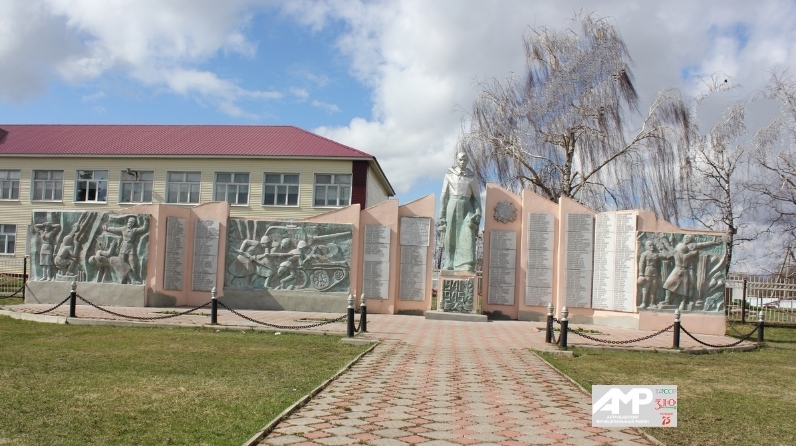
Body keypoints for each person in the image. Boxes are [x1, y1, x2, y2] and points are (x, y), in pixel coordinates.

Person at [439, 152, 482, 271]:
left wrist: (478, 212)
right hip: (452, 205)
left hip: (467, 207)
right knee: (450, 233)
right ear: (456, 160)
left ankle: (465, 263)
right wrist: (442, 215)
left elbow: (477, 197)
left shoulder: (471, 177)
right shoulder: (449, 175)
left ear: (467, 161)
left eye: (465, 160)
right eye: (460, 160)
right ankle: (450, 261)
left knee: (467, 233)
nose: (462, 162)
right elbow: (444, 196)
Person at [662, 234, 723, 310]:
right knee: (681, 287)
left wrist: (712, 242)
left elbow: (702, 244)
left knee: (686, 286)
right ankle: (675, 301)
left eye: (688, 238)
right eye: (685, 237)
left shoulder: (689, 247)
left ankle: (685, 301)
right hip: (683, 270)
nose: (686, 238)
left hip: (688, 269)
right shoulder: (686, 252)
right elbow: (695, 252)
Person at [103, 216, 149, 284]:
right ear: (127, 222)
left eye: (132, 223)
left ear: (134, 224)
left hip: (131, 247)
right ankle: (122, 279)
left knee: (133, 264)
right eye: (129, 222)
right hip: (124, 247)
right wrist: (107, 228)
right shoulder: (123, 229)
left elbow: (143, 229)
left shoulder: (134, 230)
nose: (130, 223)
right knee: (121, 263)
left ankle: (133, 280)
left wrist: (146, 221)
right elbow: (115, 229)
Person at [637, 240, 666, 309]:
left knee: (653, 288)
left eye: (652, 245)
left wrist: (662, 247)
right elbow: (641, 264)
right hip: (647, 273)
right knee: (645, 288)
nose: (651, 246)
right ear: (646, 247)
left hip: (654, 273)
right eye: (650, 245)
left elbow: (665, 255)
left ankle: (652, 303)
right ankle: (643, 303)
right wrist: (641, 274)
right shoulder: (644, 254)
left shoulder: (656, 254)